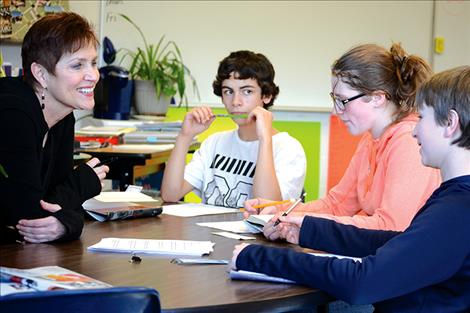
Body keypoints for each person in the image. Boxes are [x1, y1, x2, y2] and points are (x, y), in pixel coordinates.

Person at [232, 65, 470, 312]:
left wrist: (256, 257)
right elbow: (397, 241)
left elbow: (363, 282)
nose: (415, 129)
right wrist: (308, 228)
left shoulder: (457, 209)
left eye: (421, 117)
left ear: (450, 122)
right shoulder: (454, 198)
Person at [245, 43, 441, 233]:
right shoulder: (371, 140)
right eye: (334, 99)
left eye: (342, 100)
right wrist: (280, 210)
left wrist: (306, 224)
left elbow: (392, 227)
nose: (335, 110)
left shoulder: (409, 141)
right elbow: (337, 205)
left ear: (377, 98)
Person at [0, 12, 108, 244]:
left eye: (93, 63)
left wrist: (66, 222)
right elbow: (28, 219)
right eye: (77, 65)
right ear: (41, 74)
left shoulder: (62, 115)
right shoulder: (12, 113)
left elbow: (52, 203)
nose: (93, 75)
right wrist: (83, 184)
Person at [161, 50, 306, 207]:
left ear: (266, 96)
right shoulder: (214, 143)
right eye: (228, 92)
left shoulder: (288, 149)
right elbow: (170, 194)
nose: (236, 101)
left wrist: (264, 139)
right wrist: (184, 137)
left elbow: (266, 208)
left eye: (247, 91)